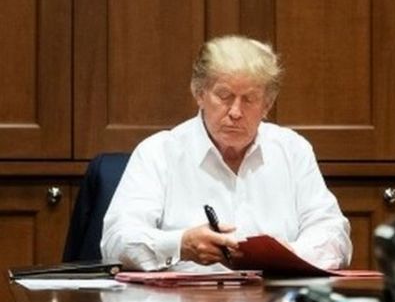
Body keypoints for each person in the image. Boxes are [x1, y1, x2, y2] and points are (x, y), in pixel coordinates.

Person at [101, 35, 352, 271]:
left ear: (267, 104)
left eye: (250, 99)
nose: (235, 111)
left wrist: (291, 253)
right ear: (199, 93)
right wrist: (181, 244)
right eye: (224, 96)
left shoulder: (292, 150)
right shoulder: (159, 153)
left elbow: (333, 233)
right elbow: (116, 242)